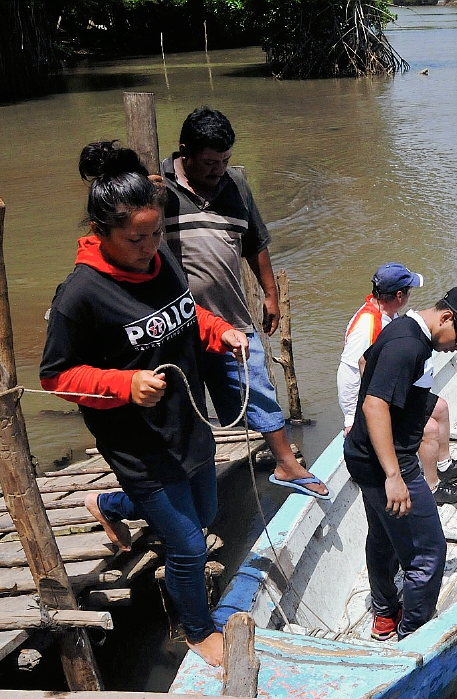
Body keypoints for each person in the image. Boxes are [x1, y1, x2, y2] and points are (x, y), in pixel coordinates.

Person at [41, 141, 250, 667]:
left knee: (203, 513)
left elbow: (187, 313)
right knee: (188, 545)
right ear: (103, 233)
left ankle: (108, 505)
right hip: (138, 442)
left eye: (157, 233)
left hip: (187, 422)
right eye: (136, 238)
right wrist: (123, 384)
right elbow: (56, 376)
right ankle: (197, 629)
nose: (149, 245)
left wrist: (219, 331)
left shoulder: (161, 262)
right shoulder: (80, 296)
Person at [160, 106, 328, 499]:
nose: (218, 169)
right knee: (183, 407)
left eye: (224, 161)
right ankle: (183, 487)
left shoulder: (235, 186)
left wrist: (270, 295)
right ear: (184, 151)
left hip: (232, 318)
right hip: (176, 326)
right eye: (209, 162)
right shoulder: (156, 185)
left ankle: (287, 464)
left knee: (258, 390)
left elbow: (256, 244)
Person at [344, 287, 457, 640]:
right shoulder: (408, 345)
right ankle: (413, 632)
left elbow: (367, 362)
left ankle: (384, 615)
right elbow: (374, 405)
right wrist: (394, 475)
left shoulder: (401, 330)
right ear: (446, 318)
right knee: (428, 553)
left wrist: (409, 409)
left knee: (382, 536)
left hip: (363, 455)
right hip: (391, 463)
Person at [338, 263, 457, 505]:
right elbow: (355, 367)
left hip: (398, 388)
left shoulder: (390, 317)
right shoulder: (368, 325)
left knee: (441, 408)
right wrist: (351, 417)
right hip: (384, 397)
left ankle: (444, 464)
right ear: (399, 295)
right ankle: (432, 486)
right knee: (429, 430)